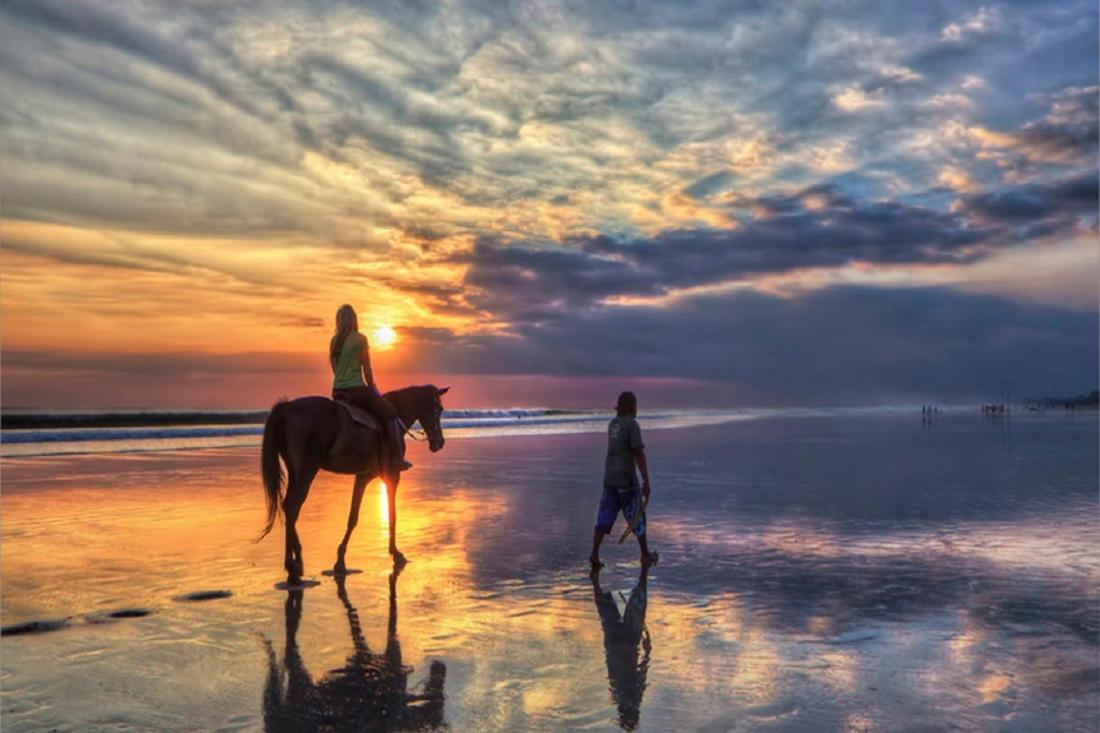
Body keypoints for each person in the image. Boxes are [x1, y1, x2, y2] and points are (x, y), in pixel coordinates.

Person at [329, 304, 412, 473]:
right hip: (356, 390)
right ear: (353, 319)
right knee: (390, 412)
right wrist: (373, 389)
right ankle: (396, 458)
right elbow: (366, 368)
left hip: (338, 391)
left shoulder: (334, 341)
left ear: (338, 321)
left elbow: (335, 369)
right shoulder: (360, 339)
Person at [589, 391, 658, 570]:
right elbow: (638, 452)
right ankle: (645, 554)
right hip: (627, 482)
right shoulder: (632, 425)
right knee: (638, 517)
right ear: (632, 407)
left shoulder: (613, 424)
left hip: (609, 480)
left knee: (603, 519)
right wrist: (646, 480)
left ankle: (594, 553)